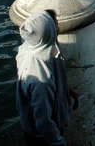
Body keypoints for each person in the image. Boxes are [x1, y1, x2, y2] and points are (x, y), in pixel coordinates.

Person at [16, 10, 78, 146]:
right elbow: (43, 121)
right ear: (47, 33)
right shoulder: (40, 79)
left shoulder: (31, 48)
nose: (58, 27)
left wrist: (66, 90)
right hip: (43, 139)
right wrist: (59, 142)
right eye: (55, 24)